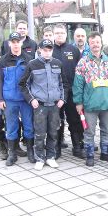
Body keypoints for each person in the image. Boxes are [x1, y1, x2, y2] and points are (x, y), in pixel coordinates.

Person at [19, 39, 68, 170]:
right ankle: (40, 158)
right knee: (40, 133)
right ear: (39, 50)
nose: (47, 52)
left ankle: (51, 157)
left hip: (54, 105)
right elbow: (23, 84)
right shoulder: (32, 64)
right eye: (44, 50)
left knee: (53, 132)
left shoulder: (58, 64)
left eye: (49, 50)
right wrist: (31, 99)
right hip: (39, 105)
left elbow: (63, 84)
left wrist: (62, 99)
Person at [73, 32, 108, 166]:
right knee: (89, 131)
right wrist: (78, 102)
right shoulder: (83, 62)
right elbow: (78, 84)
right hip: (90, 104)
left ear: (101, 43)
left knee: (107, 129)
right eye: (92, 42)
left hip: (107, 103)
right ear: (89, 44)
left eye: (97, 42)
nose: (95, 45)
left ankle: (105, 153)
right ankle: (89, 155)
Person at [0, 32, 35, 166]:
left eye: (18, 41)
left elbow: (32, 80)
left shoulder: (29, 58)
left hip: (25, 100)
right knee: (11, 127)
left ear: (21, 43)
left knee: (29, 126)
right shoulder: (3, 60)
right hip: (10, 100)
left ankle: (30, 151)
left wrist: (33, 97)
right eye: (13, 42)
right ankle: (12, 153)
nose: (16, 44)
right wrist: (0, 99)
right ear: (9, 43)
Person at [52, 24, 85, 159]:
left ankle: (77, 146)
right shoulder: (49, 50)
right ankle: (57, 147)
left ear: (66, 35)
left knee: (75, 120)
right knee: (56, 121)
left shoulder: (73, 50)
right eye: (57, 33)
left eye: (62, 33)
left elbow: (80, 72)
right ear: (53, 35)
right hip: (55, 93)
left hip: (71, 92)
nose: (60, 35)